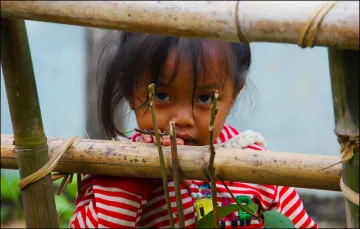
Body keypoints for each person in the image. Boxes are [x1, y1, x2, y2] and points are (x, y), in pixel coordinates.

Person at [68, 32, 317, 228]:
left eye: (205, 98)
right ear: (131, 92)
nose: (183, 119)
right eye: (162, 95)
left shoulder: (256, 164)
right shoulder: (113, 168)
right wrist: (132, 175)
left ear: (233, 96)